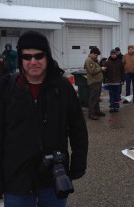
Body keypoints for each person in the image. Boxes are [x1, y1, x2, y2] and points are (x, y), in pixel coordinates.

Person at [0, 30, 89, 205]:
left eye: (39, 56)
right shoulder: (7, 88)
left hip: (53, 177)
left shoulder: (62, 88)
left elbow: (78, 128)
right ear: (20, 59)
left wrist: (79, 162)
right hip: (17, 178)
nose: (33, 61)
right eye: (27, 57)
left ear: (47, 57)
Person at [84, 47, 105, 120]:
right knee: (93, 98)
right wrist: (101, 68)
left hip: (98, 81)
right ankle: (91, 113)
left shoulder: (94, 60)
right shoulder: (89, 60)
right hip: (94, 82)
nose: (97, 56)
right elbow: (92, 71)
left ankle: (97, 111)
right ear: (92, 53)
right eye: (96, 55)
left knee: (97, 98)